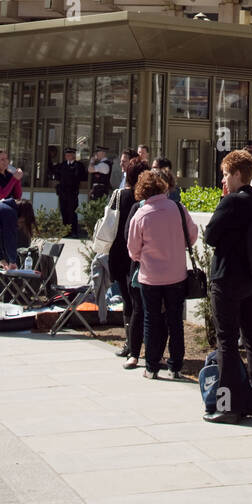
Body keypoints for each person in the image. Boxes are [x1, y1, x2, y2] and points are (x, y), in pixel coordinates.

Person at [204, 148, 252, 424]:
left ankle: (227, 405)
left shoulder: (230, 203)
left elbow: (210, 235)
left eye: (226, 174)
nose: (224, 180)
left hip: (227, 278)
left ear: (237, 174)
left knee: (227, 341)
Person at [127, 170, 198, 381]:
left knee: (151, 319)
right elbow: (192, 235)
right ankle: (176, 365)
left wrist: (145, 257)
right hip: (176, 274)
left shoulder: (141, 215)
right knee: (175, 320)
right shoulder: (177, 208)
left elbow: (133, 250)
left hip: (150, 276)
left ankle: (151, 365)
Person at [109, 153, 150, 367]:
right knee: (139, 303)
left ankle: (129, 344)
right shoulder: (140, 201)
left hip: (118, 253)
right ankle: (137, 344)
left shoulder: (120, 196)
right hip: (135, 256)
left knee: (129, 302)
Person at [49, 147, 86, 237]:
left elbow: (79, 176)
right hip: (63, 192)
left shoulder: (78, 165)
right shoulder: (62, 165)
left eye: (69, 155)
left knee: (72, 212)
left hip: (72, 192)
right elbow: (56, 174)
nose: (67, 156)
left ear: (73, 155)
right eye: (66, 155)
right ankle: (65, 231)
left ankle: (74, 231)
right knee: (64, 211)